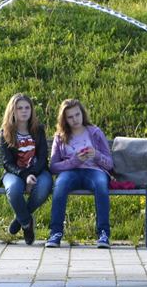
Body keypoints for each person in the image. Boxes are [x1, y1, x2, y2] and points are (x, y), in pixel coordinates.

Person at [45, 99, 113, 249]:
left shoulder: (95, 132)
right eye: (70, 117)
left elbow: (109, 163)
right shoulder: (60, 136)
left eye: (77, 114)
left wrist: (96, 155)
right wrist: (74, 161)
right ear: (64, 119)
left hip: (94, 171)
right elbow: (53, 167)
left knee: (101, 184)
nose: (75, 119)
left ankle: (103, 233)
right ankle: (55, 233)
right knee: (60, 185)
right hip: (70, 172)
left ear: (82, 114)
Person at [0, 93, 52, 245]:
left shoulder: (38, 130)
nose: (24, 111)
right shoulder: (5, 132)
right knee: (14, 190)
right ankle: (27, 224)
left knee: (43, 188)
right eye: (19, 108)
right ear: (12, 111)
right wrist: (25, 176)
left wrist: (32, 174)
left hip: (38, 171)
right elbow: (7, 163)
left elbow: (43, 158)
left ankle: (20, 219)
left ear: (31, 110)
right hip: (14, 172)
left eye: (27, 107)